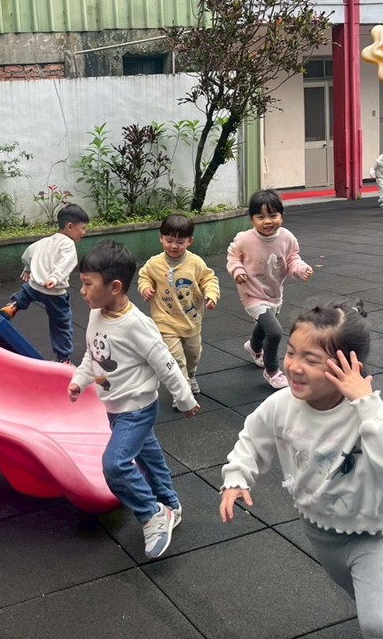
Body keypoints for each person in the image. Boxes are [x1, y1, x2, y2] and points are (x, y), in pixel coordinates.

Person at [219, 303, 383, 639]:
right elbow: (252, 438)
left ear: (347, 367)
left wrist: (367, 402)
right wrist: (236, 476)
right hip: (318, 529)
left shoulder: (369, 413)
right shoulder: (281, 405)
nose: (294, 366)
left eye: (310, 360)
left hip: (370, 533)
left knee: (378, 626)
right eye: (291, 352)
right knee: (362, 596)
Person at [68, 240, 200, 559]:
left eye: (87, 284)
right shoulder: (97, 314)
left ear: (114, 287)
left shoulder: (137, 325)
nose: (82, 291)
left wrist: (184, 398)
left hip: (136, 409)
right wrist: (79, 380)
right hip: (114, 407)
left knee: (115, 465)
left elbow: (166, 364)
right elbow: (93, 355)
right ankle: (170, 504)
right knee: (148, 457)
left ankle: (151, 513)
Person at [227, 189, 313, 390]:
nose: (267, 221)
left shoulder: (287, 237)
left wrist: (300, 269)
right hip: (252, 293)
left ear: (281, 216)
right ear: (252, 219)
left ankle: (254, 346)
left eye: (273, 216)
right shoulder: (245, 239)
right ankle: (272, 370)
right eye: (261, 217)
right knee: (274, 332)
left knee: (264, 324)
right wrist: (237, 270)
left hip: (274, 292)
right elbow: (233, 256)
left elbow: (292, 258)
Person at [137, 214, 220, 405]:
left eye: (180, 242)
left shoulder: (195, 263)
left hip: (191, 321)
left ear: (189, 241)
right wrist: (145, 288)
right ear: (161, 238)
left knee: (193, 355)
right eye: (169, 240)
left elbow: (209, 279)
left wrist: (211, 295)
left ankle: (190, 375)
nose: (174, 246)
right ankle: (183, 393)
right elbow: (144, 276)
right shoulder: (154, 263)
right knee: (176, 358)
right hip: (165, 321)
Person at [0, 203, 89, 363]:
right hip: (54, 292)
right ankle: (63, 359)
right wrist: (54, 278)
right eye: (82, 228)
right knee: (62, 324)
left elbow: (28, 253)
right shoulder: (68, 244)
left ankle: (13, 306)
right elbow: (65, 263)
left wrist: (28, 269)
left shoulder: (45, 241)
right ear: (70, 227)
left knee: (25, 292)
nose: (84, 232)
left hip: (35, 286)